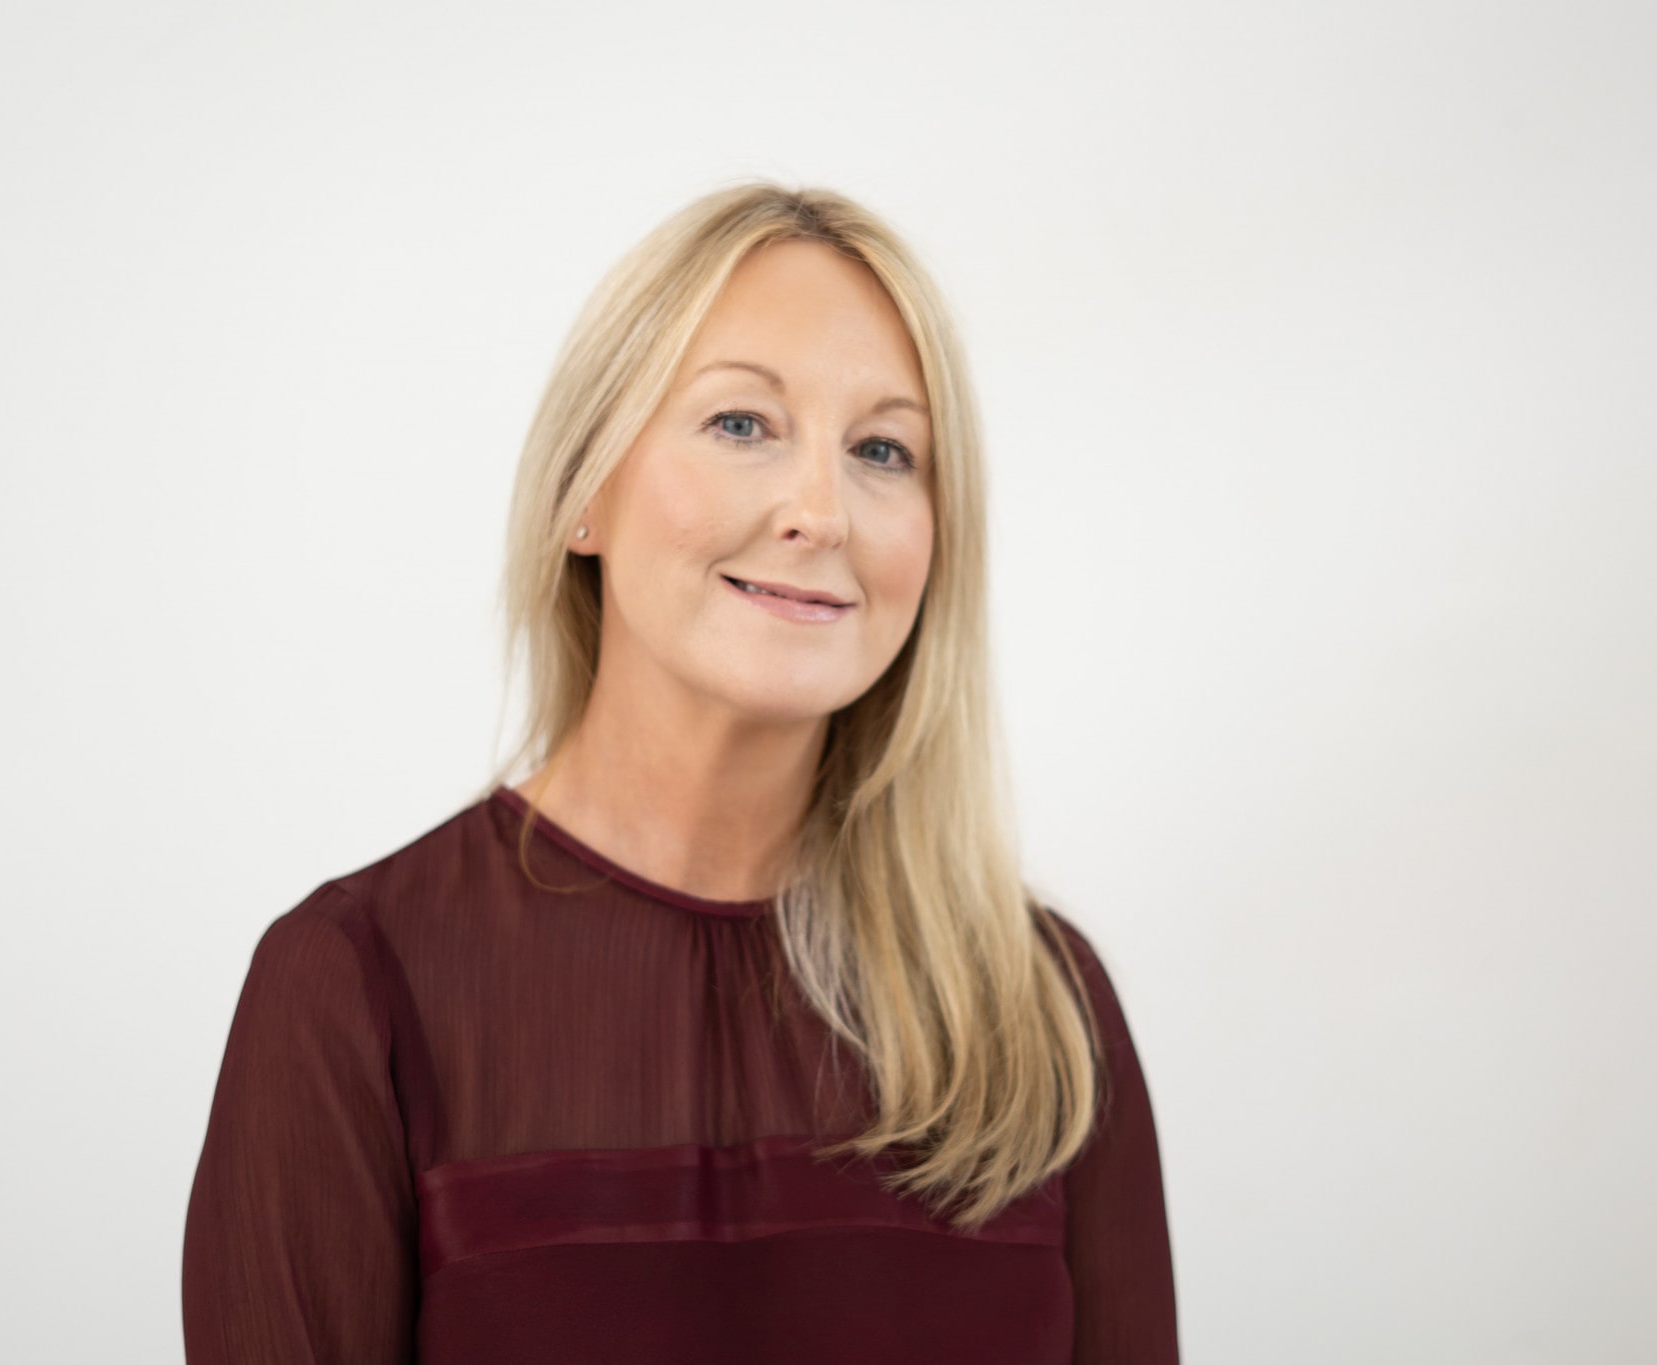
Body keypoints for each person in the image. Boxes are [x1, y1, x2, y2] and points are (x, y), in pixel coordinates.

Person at [181, 181, 1179, 1363]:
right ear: (584, 493)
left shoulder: (1040, 1007)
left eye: (881, 449)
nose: (820, 513)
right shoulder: (355, 988)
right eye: (742, 424)